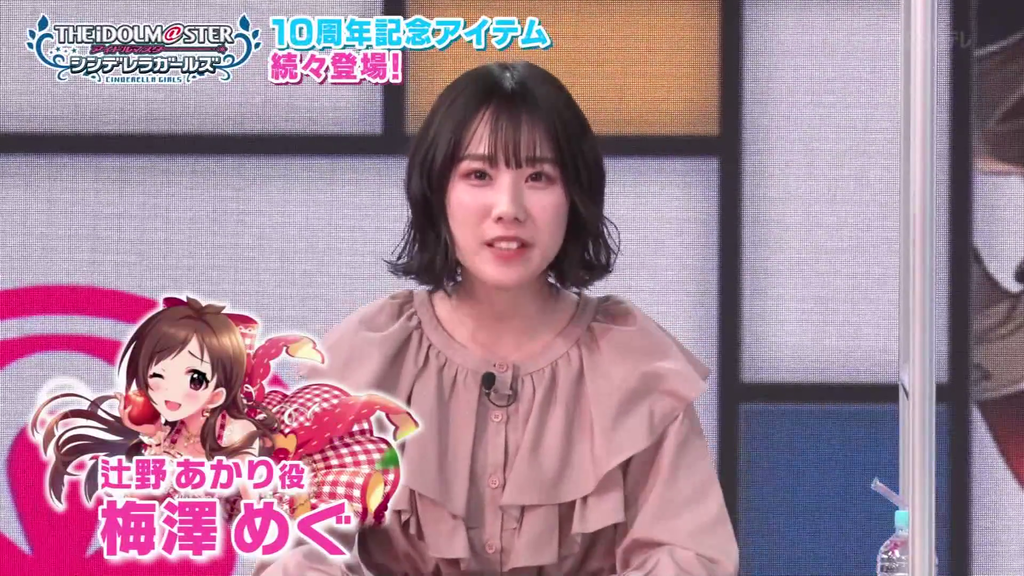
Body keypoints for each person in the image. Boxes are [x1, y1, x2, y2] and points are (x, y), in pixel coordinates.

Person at [255, 60, 739, 575]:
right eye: (479, 175)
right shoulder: (367, 357)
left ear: (573, 195)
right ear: (437, 192)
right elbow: (296, 552)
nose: (508, 208)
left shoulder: (634, 364)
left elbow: (688, 557)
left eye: (538, 176)